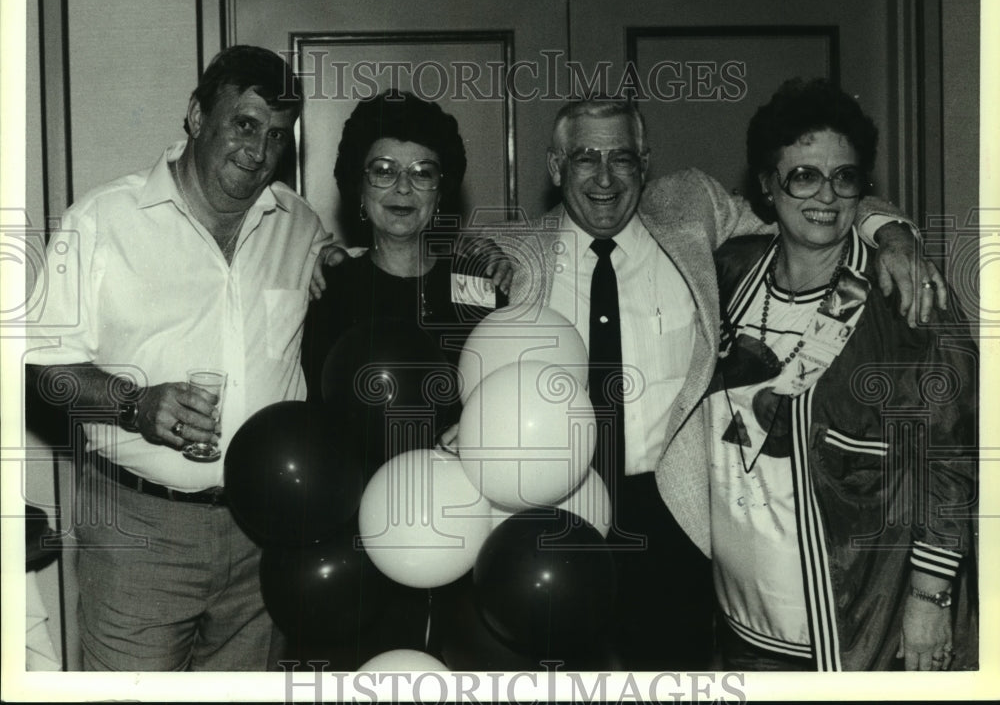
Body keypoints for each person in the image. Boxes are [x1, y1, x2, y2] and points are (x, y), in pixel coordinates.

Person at [498, 96, 946, 670]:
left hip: (673, 520)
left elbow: (813, 197)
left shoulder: (691, 211)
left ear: (647, 164)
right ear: (556, 168)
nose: (605, 177)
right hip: (550, 515)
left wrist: (893, 233)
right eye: (586, 157)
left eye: (624, 158)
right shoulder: (511, 255)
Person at [24, 45, 328, 671]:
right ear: (195, 116)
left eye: (276, 135)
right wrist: (135, 404)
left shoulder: (298, 225)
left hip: (265, 538)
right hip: (138, 530)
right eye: (244, 123)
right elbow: (44, 373)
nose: (258, 148)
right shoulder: (102, 222)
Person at [690, 78, 977, 671]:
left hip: (854, 631)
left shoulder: (904, 299)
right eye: (803, 175)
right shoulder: (725, 275)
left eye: (844, 176)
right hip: (733, 628)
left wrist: (930, 599)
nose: (826, 194)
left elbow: (948, 459)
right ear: (768, 186)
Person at [293, 90, 510, 669]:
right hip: (359, 538)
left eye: (422, 173)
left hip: (466, 530)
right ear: (358, 189)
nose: (403, 189)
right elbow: (317, 417)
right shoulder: (328, 291)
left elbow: (513, 406)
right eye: (383, 171)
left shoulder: (479, 290)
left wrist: (480, 431)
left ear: (442, 191)